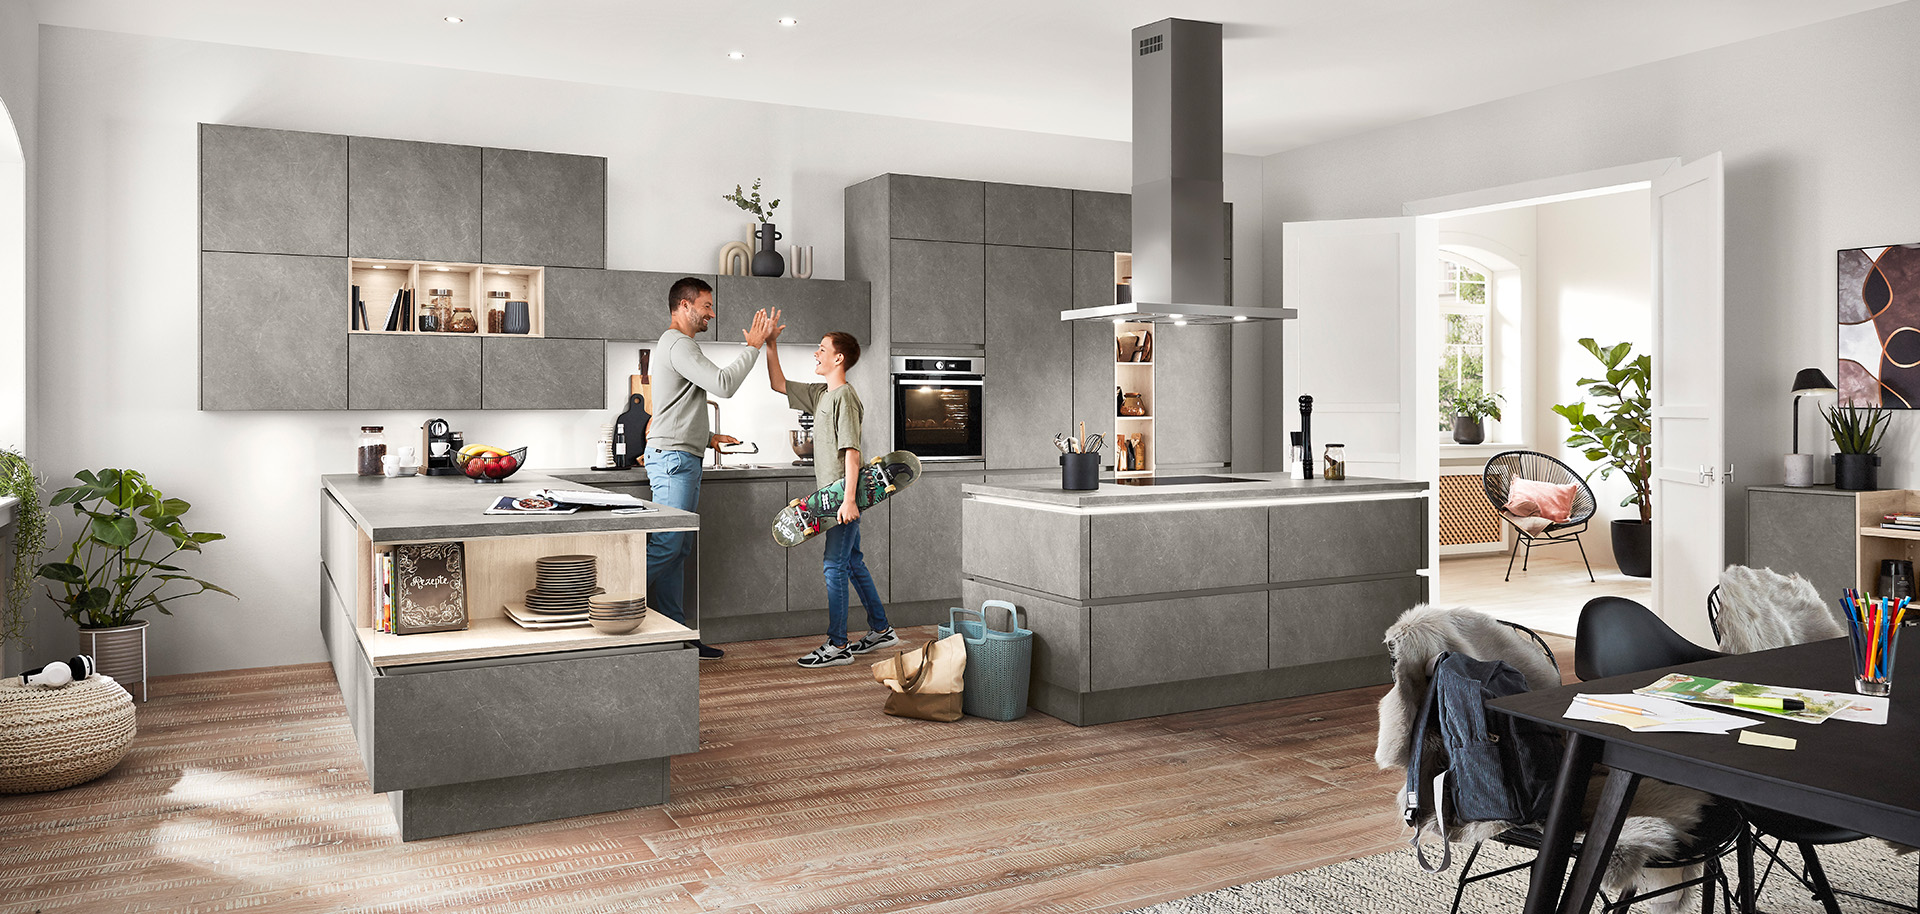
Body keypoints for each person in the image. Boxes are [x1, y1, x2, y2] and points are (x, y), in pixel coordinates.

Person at [646, 277, 778, 660]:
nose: (711, 313)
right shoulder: (678, 343)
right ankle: (612, 604)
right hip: (673, 460)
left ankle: (677, 635)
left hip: (681, 455)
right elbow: (722, 384)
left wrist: (709, 437)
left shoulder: (677, 346)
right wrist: (753, 347)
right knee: (669, 545)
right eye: (706, 305)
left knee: (678, 549)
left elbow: (675, 408)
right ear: (684, 306)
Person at [763, 324, 898, 668]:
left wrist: (849, 500)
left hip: (841, 495)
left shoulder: (845, 398)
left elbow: (852, 452)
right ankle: (881, 629)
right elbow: (778, 384)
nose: (816, 353)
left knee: (833, 566)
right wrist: (771, 345)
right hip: (832, 495)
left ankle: (838, 645)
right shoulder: (822, 394)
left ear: (838, 358)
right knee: (851, 562)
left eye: (822, 349)